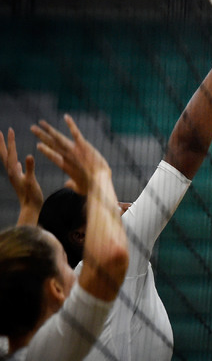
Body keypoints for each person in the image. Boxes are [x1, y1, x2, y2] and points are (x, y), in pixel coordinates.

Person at [0, 0, 212, 361]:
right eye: (107, 207)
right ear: (83, 238)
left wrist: (30, 207)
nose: (124, 207)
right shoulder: (116, 250)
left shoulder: (21, 336)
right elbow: (187, 146)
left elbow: (18, 273)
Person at [0, 114, 129, 360]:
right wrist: (99, 176)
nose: (72, 267)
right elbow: (113, 258)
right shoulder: (47, 353)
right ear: (56, 289)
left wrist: (30, 207)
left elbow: (15, 274)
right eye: (62, 260)